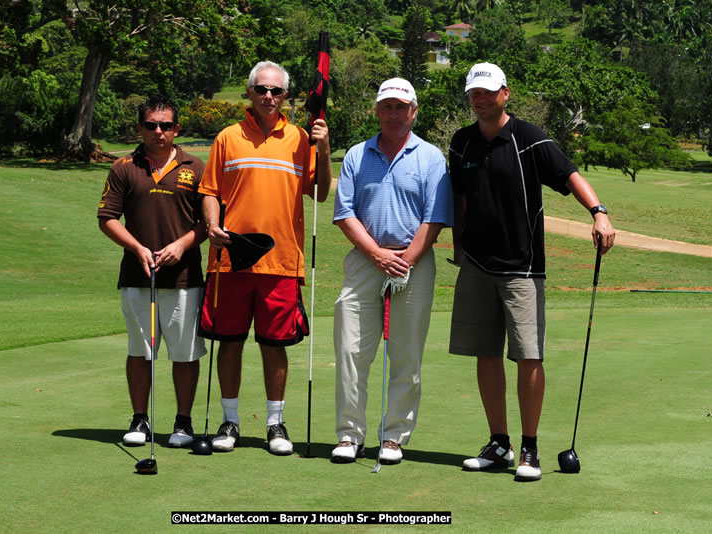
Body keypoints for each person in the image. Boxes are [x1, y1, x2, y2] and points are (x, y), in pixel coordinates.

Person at [448, 62, 616, 481]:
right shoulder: (462, 142)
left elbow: (569, 174)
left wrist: (599, 214)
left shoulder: (530, 139)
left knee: (528, 356)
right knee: (484, 354)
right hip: (476, 265)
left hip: (522, 268)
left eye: (488, 92)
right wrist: (458, 245)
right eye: (474, 93)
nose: (480, 99)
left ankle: (529, 448)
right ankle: (498, 443)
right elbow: (461, 197)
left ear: (506, 93)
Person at [199, 61, 332, 456]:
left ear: (286, 96)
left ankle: (275, 424)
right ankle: (230, 421)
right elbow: (209, 191)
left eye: (276, 91)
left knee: (275, 344)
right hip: (231, 258)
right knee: (230, 342)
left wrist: (323, 149)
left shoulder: (300, 138)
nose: (268, 97)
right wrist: (211, 224)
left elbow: (320, 192)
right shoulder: (227, 137)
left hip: (282, 261)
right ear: (249, 92)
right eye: (261, 89)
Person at [331, 78, 453, 465]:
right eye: (387, 106)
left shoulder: (431, 157)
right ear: (377, 110)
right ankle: (350, 436)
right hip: (366, 261)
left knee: (406, 356)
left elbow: (434, 218)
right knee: (350, 350)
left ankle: (394, 437)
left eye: (402, 106)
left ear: (414, 111)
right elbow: (344, 214)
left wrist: (406, 260)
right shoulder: (356, 155)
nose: (394, 113)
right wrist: (378, 256)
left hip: (413, 263)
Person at [98, 96, 208, 449]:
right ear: (140, 128)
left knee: (185, 352)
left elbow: (208, 222)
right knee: (140, 349)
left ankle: (183, 422)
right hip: (137, 274)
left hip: (184, 277)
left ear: (177, 128)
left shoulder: (196, 166)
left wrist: (182, 245)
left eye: (165, 125)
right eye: (150, 125)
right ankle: (140, 419)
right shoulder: (124, 167)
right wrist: (137, 248)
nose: (158, 131)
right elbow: (107, 218)